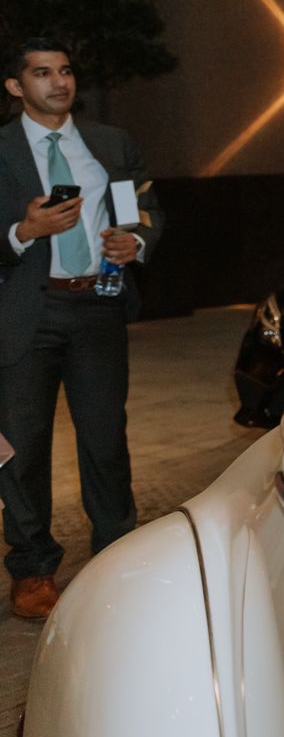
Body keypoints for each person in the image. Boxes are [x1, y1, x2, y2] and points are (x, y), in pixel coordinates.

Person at [0, 38, 163, 620]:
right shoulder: (2, 151)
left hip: (98, 306)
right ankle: (34, 570)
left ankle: (115, 556)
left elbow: (140, 207)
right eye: (42, 73)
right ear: (16, 87)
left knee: (104, 440)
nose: (59, 82)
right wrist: (24, 230)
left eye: (66, 70)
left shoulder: (109, 145)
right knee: (20, 449)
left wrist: (134, 240)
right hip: (26, 312)